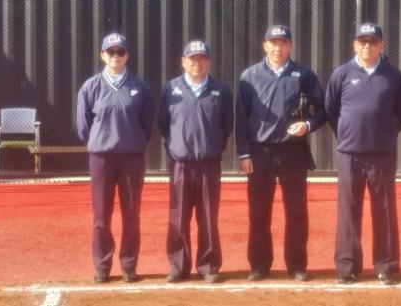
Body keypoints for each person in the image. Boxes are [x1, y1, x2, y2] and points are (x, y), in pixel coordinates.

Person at [235, 24, 327, 282]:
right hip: (260, 151)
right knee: (259, 212)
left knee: (296, 211)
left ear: (290, 46)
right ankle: (259, 265)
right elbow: (241, 117)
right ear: (265, 45)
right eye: (273, 43)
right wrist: (244, 154)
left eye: (284, 43)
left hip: (293, 151)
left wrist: (307, 124)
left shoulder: (304, 75)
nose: (278, 47)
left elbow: (323, 109)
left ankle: (297, 265)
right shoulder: (249, 76)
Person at [324, 22, 401, 285]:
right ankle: (347, 267)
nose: (367, 46)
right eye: (362, 41)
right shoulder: (341, 73)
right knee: (348, 210)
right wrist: (346, 134)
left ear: (381, 45)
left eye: (373, 42)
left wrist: (385, 133)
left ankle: (386, 266)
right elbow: (331, 109)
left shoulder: (393, 76)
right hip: (350, 154)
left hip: (382, 154)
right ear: (354, 44)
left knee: (384, 209)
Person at [76, 32, 154, 283]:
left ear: (127, 55)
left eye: (120, 52)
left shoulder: (140, 87)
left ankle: (129, 265)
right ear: (102, 55)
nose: (116, 56)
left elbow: (147, 124)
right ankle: (102, 266)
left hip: (131, 158)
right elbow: (84, 126)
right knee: (101, 217)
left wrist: (132, 141)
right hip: (102, 159)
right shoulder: (91, 87)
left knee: (131, 215)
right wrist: (101, 142)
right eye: (111, 52)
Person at [159, 40, 233, 284]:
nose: (197, 63)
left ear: (209, 61)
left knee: (208, 217)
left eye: (202, 58)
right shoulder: (170, 89)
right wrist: (177, 147)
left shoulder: (221, 90)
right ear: (183, 61)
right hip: (180, 164)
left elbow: (226, 125)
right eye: (192, 58)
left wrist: (212, 147)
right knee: (178, 216)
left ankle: (208, 266)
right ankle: (178, 266)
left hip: (209, 164)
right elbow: (163, 123)